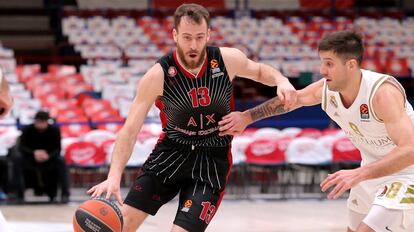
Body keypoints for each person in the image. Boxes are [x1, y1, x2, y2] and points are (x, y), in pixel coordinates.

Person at [87, 3, 296, 232]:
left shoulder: (226, 59)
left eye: (199, 37)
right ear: (175, 35)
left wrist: (282, 80)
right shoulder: (158, 75)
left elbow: (259, 71)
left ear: (208, 35)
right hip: (170, 154)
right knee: (122, 225)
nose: (193, 45)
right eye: (187, 37)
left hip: (212, 160)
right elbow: (129, 130)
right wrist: (114, 176)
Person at [218, 30, 414, 232]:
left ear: (351, 65)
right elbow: (294, 100)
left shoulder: (382, 94)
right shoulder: (326, 89)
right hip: (369, 172)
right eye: (321, 62)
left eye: (329, 63)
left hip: (406, 174)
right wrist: (247, 117)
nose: (322, 70)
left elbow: (410, 150)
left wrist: (360, 173)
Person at [11, 110, 70, 203]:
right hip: (30, 157)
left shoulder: (54, 130)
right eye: (38, 121)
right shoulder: (27, 129)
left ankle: (65, 194)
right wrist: (34, 153)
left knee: (61, 161)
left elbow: (57, 149)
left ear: (47, 122)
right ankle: (18, 195)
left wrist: (48, 156)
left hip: (49, 159)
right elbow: (22, 147)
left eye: (43, 122)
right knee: (17, 160)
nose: (41, 124)